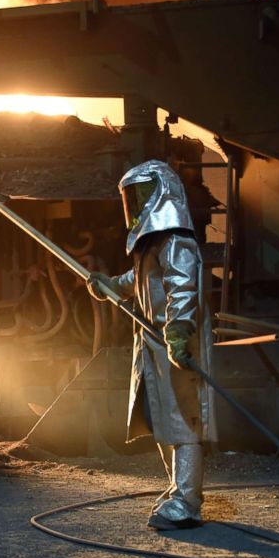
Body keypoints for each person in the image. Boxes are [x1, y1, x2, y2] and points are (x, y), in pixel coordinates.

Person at [88, 159, 215, 530]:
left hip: (175, 345)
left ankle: (188, 502)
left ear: (162, 194)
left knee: (184, 423)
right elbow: (136, 280)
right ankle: (178, 490)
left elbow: (183, 289)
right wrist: (111, 284)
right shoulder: (152, 246)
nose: (136, 204)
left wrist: (178, 334)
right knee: (162, 419)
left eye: (141, 195)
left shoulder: (178, 242)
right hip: (154, 346)